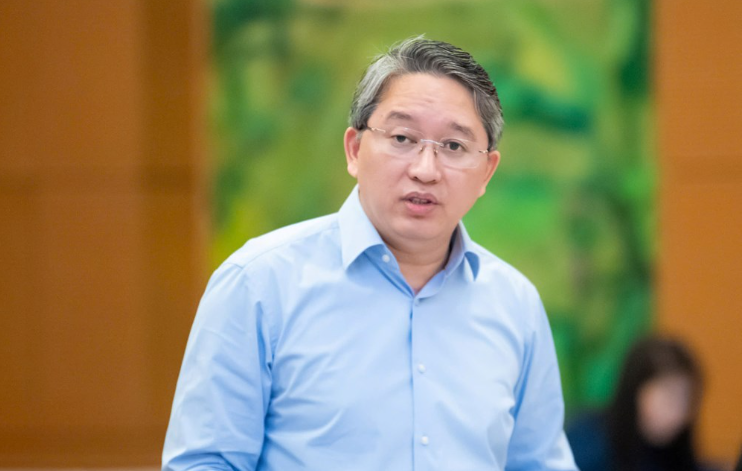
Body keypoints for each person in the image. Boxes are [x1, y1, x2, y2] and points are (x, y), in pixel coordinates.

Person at [163, 36, 577, 471]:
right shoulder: (259, 284)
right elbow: (204, 462)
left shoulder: (515, 304)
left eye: (454, 146)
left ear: (487, 172)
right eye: (402, 137)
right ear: (355, 150)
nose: (425, 170)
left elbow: (541, 463)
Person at [567, 335, 711, 471]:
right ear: (635, 389)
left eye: (688, 401)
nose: (679, 413)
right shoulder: (587, 444)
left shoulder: (672, 455)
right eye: (669, 398)